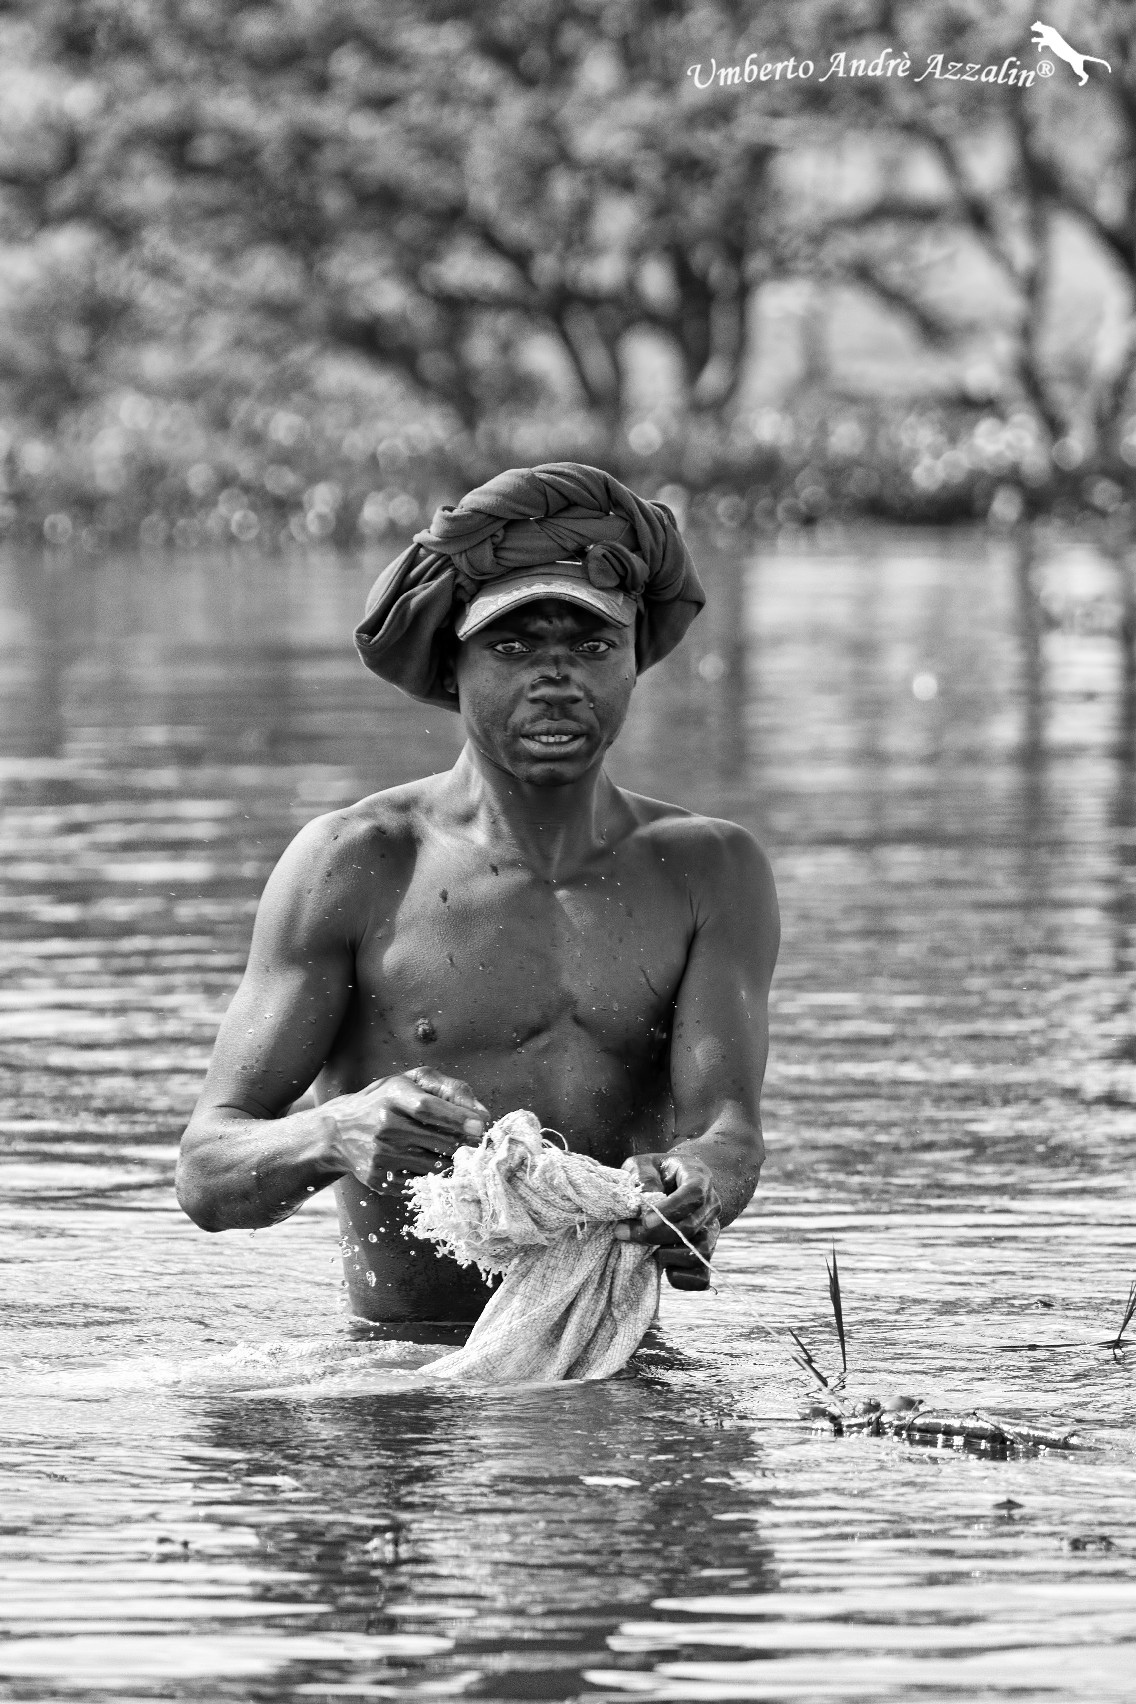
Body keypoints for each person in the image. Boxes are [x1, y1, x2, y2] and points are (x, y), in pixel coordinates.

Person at [176, 462, 779, 1331]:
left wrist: (700, 1187)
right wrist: (335, 1132)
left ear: (634, 663)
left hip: (611, 1364)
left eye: (592, 648)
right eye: (513, 648)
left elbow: (727, 1129)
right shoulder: (355, 862)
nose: (556, 678)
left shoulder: (710, 870)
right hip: (402, 1370)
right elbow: (205, 1173)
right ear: (453, 667)